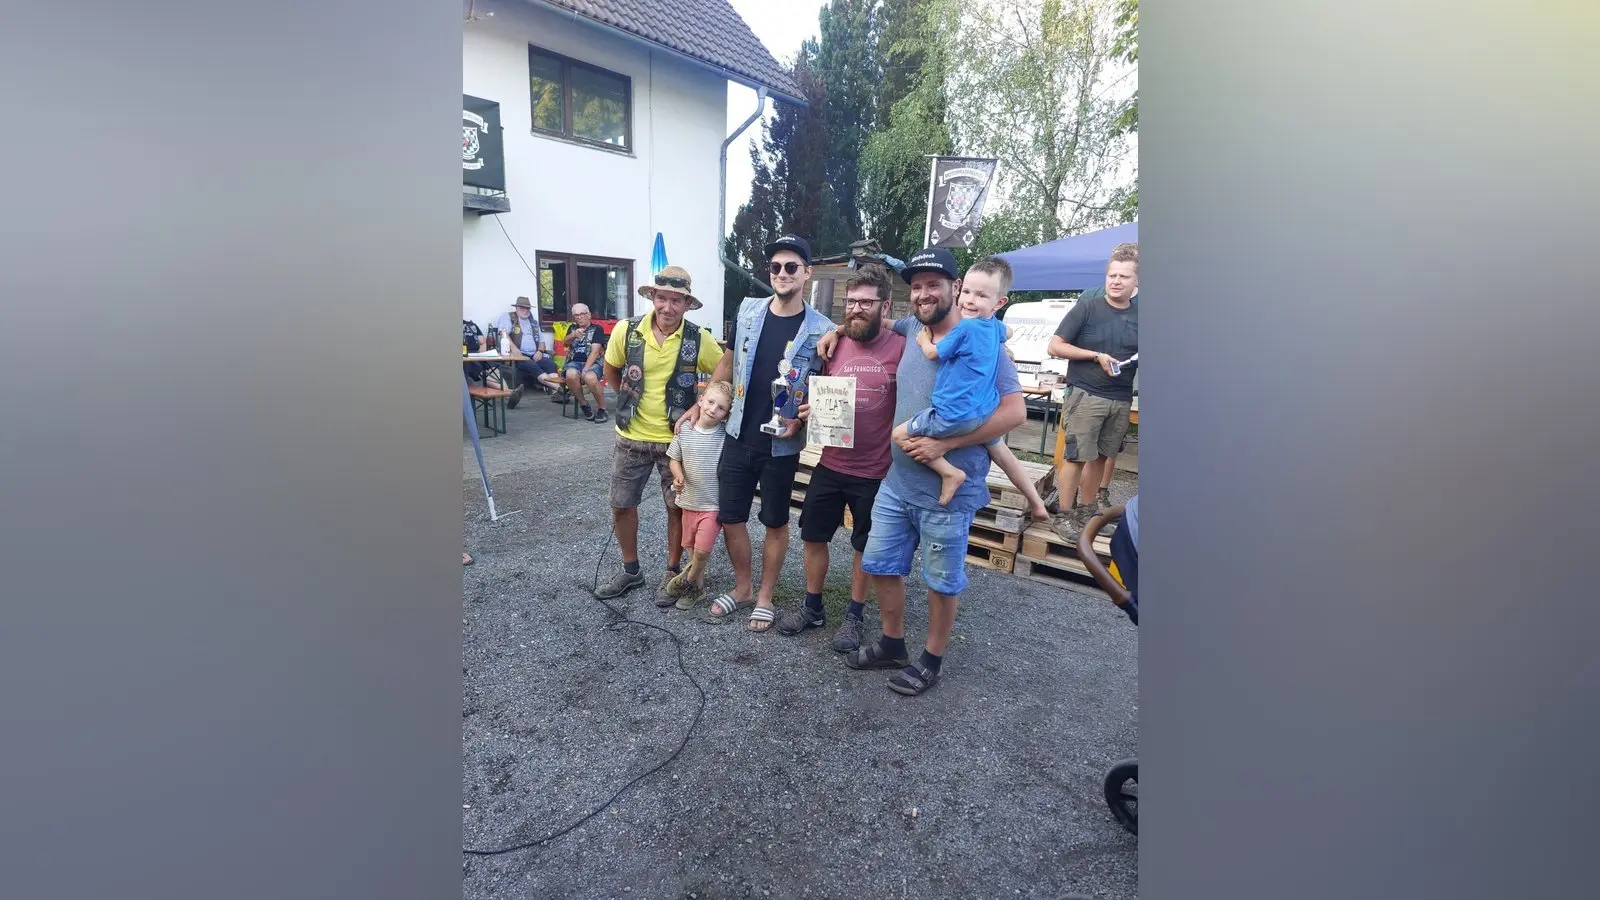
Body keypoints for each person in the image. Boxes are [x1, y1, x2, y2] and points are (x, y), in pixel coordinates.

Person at [820, 247, 1026, 696]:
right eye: (916, 286)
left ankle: (930, 660)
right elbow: (872, 321)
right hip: (897, 484)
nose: (923, 294)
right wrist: (836, 330)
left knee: (941, 582)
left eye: (934, 285)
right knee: (880, 564)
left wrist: (946, 444)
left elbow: (1015, 413)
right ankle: (892, 643)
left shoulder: (985, 344)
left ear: (956, 288)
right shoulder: (914, 328)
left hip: (947, 495)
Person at [679, 234, 834, 633]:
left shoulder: (823, 330)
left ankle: (765, 596)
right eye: (776, 267)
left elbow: (826, 389)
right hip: (737, 434)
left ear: (807, 272)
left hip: (781, 444)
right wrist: (701, 401)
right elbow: (728, 361)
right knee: (731, 517)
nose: (782, 273)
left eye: (791, 267)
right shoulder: (748, 310)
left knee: (774, 522)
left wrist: (805, 418)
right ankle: (743, 587)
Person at [771, 264, 906, 648]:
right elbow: (813, 389)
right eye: (851, 302)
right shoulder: (831, 345)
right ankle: (813, 606)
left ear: (885, 306)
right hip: (830, 463)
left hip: (876, 470)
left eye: (866, 302)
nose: (856, 309)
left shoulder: (901, 346)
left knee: (864, 545)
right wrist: (809, 409)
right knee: (813, 536)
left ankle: (854, 615)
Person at [593, 266, 726, 599]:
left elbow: (725, 368)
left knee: (678, 507)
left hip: (677, 440)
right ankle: (631, 570)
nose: (668, 307)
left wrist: (700, 404)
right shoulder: (627, 330)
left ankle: (673, 571)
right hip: (631, 435)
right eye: (662, 298)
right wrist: (627, 398)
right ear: (653, 297)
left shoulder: (699, 338)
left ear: (687, 304)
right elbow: (611, 368)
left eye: (676, 300)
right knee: (621, 504)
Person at [892, 257, 1051, 518]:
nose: (969, 300)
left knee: (899, 434)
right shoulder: (992, 328)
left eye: (980, 295)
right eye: (968, 292)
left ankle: (949, 473)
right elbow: (1008, 332)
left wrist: (923, 341)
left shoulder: (964, 329)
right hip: (980, 410)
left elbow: (932, 353)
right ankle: (1037, 503)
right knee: (1001, 451)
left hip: (952, 414)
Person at [1047, 242, 1139, 542]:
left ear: (1136, 281)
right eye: (1112, 275)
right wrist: (1095, 355)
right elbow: (1055, 346)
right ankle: (1063, 515)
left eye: (1124, 277)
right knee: (1076, 456)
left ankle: (1086, 513)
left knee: (1101, 457)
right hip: (1086, 394)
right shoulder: (1088, 307)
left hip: (1121, 397)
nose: (1116, 281)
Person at [662, 380, 735, 609]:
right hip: (688, 501)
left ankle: (687, 580)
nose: (713, 409)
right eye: (710, 402)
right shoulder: (685, 429)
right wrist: (677, 476)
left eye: (721, 408)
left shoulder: (725, 434)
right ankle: (697, 590)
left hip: (712, 504)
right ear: (700, 401)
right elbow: (674, 459)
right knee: (692, 548)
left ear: (727, 414)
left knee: (702, 551)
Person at [493, 297, 558, 407]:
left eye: (527, 308)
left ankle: (556, 393)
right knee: (532, 366)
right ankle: (559, 388)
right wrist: (514, 349)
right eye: (522, 308)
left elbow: (542, 341)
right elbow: (503, 334)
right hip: (519, 354)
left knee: (550, 364)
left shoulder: (533, 322)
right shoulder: (508, 317)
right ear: (516, 308)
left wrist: (540, 351)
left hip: (535, 354)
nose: (525, 310)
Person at [560, 303, 609, 423]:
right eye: (576, 315)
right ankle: (583, 404)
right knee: (570, 374)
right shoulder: (572, 328)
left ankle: (602, 409)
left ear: (589, 315)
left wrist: (586, 369)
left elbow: (595, 351)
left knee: (590, 378)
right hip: (574, 362)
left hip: (593, 363)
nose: (579, 317)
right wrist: (573, 335)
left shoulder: (597, 329)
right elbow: (565, 343)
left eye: (582, 314)